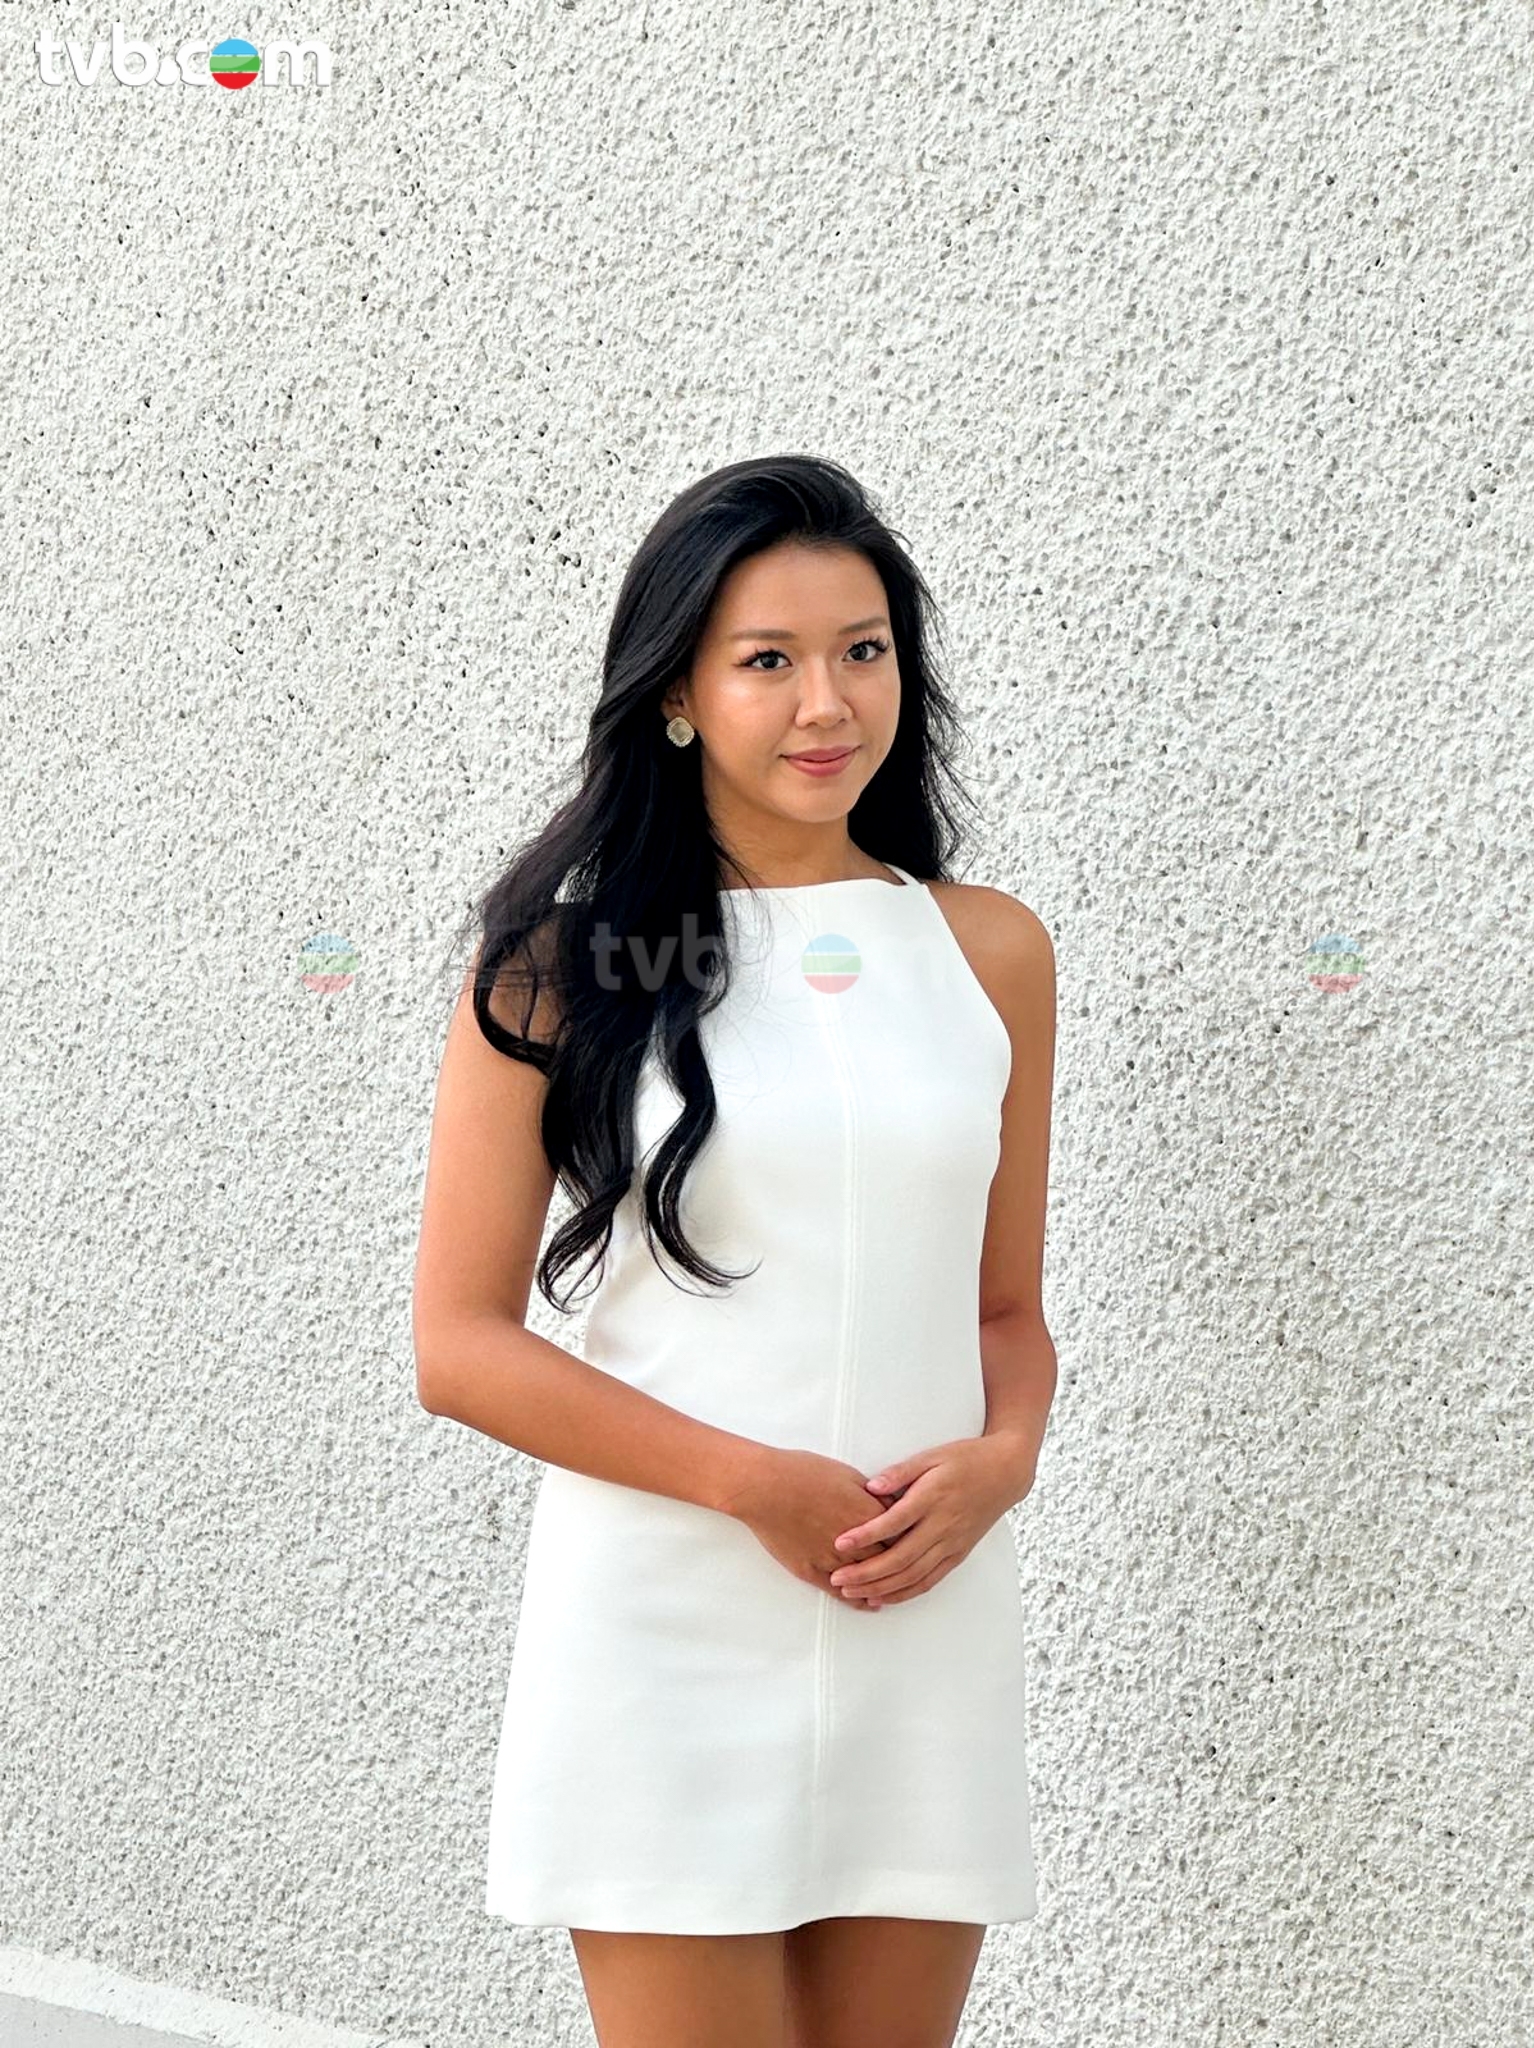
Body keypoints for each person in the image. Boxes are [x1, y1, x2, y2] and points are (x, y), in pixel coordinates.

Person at [412, 454, 1059, 2048]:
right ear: (679, 694)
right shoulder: (562, 970)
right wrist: (747, 1482)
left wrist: (1005, 1460)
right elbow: (458, 1347)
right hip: (666, 1621)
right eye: (769, 659)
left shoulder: (987, 952)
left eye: (863, 650)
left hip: (918, 1610)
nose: (827, 703)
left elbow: (1004, 1308)